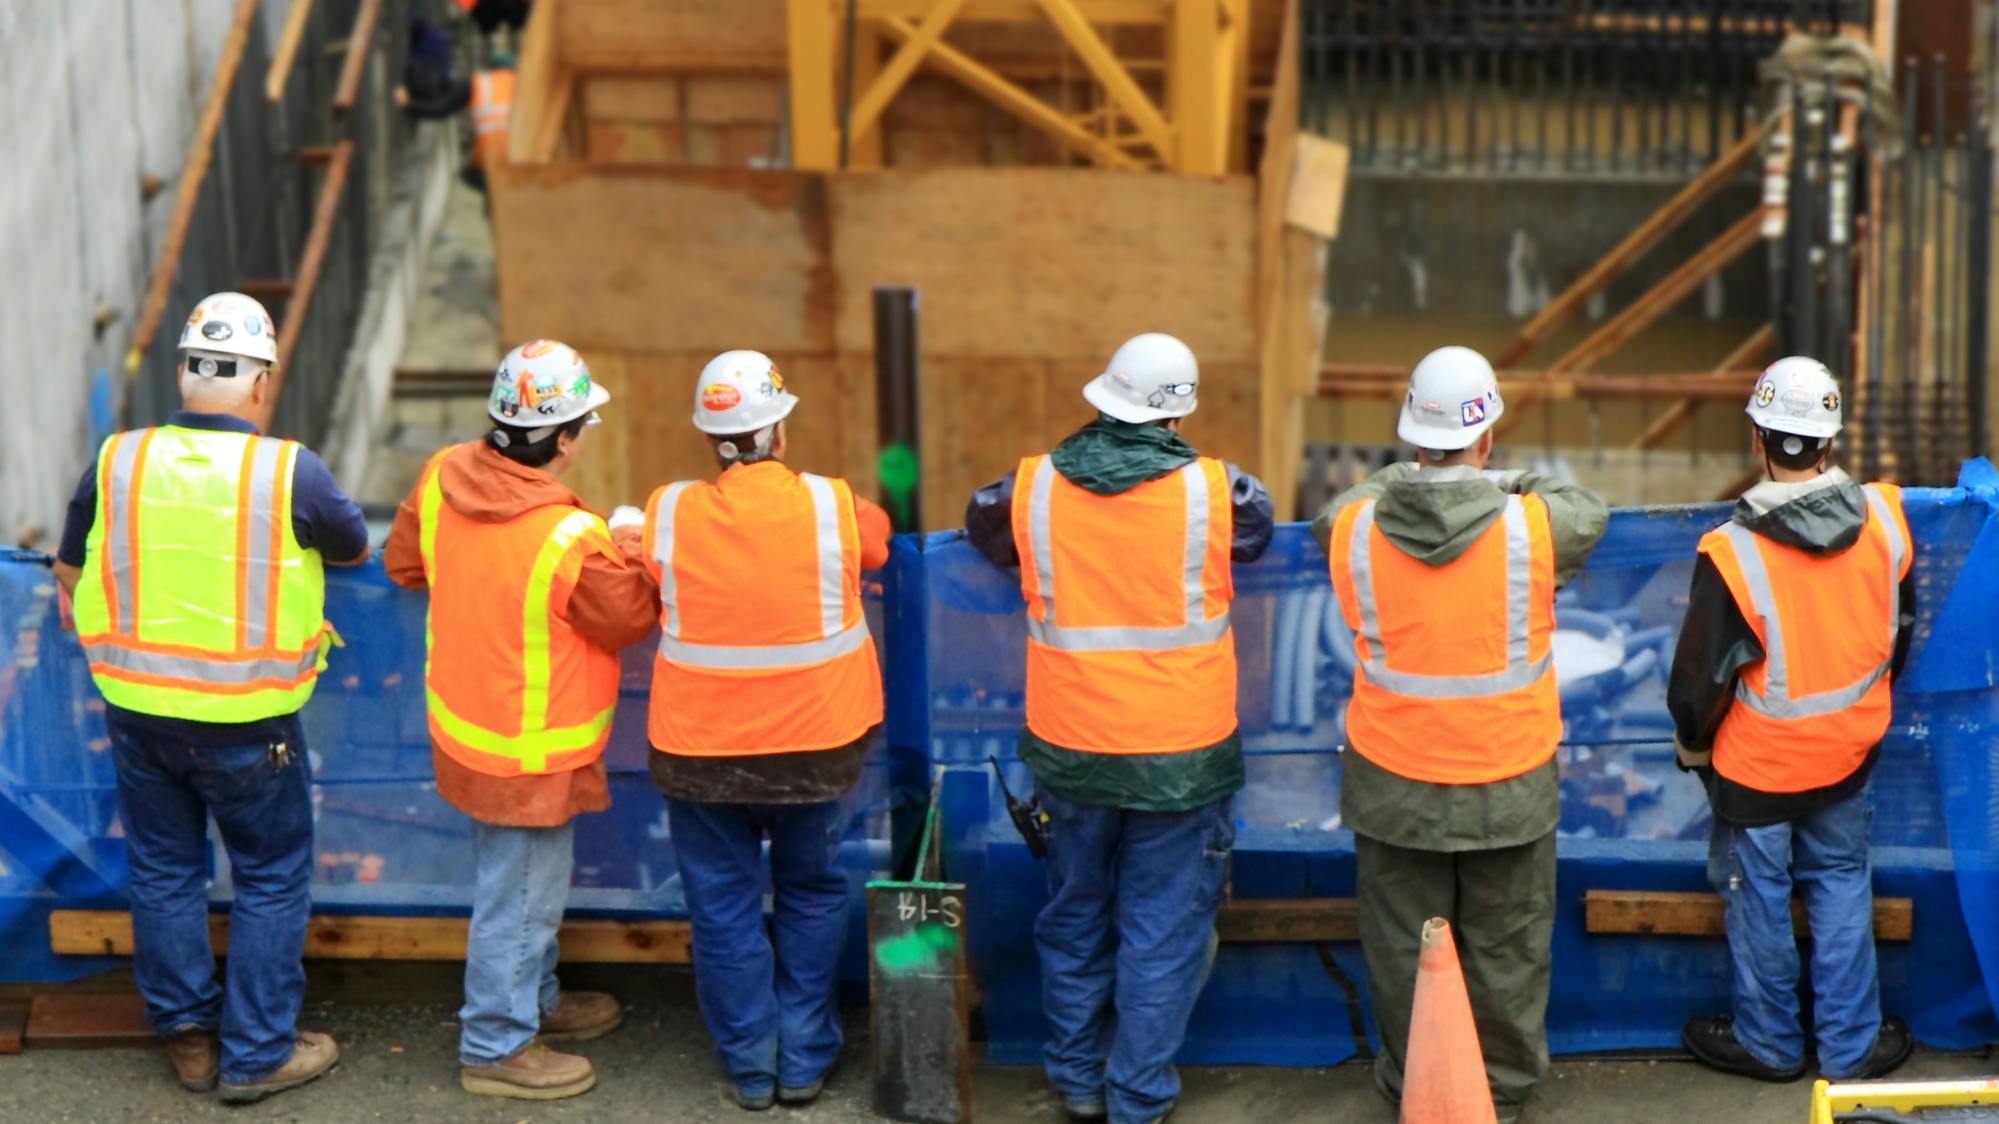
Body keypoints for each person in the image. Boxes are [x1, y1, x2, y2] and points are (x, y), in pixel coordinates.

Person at [51, 292, 369, 1103]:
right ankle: (257, 1053)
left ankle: (189, 1037)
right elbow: (352, 545)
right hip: (248, 721)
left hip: (137, 713)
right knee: (268, 874)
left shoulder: (117, 459)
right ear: (260, 385)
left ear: (184, 373)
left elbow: (68, 562)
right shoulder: (289, 470)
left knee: (163, 868)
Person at [965, 333, 1274, 1124]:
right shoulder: (1214, 491)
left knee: (1073, 912)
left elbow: (982, 527)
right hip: (1181, 756)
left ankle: (1074, 1079)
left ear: (1103, 397)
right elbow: (1258, 530)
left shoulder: (1029, 489)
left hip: (1071, 750)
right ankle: (1137, 1094)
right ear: (1176, 415)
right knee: (1161, 928)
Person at [1314, 346, 1606, 1124]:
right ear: (1486, 439)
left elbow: (1340, 507)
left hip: (1392, 780)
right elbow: (1586, 507)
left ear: (1412, 435)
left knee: (1403, 953)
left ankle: (1418, 1091)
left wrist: (1411, 477)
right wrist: (1497, 481)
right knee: (1506, 951)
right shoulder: (1532, 528)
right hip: (1504, 777)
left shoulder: (1352, 529)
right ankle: (1499, 1098)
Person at [383, 340, 656, 1100]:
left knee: (515, 886)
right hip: (531, 754)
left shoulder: (441, 477)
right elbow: (629, 614)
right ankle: (496, 1044)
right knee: (522, 894)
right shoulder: (568, 536)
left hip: (465, 730)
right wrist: (629, 540)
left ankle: (533, 1003)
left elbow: (404, 565)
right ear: (563, 439)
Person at [639, 350, 892, 1112]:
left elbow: (632, 561)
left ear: (710, 439)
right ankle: (803, 1058)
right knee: (812, 892)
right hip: (815, 748)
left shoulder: (667, 512)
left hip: (700, 753)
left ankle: (750, 1065)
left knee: (721, 906)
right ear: (778, 429)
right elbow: (878, 545)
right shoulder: (833, 506)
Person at [1670, 357, 1915, 1084]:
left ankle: (1771, 1044)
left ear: (1757, 438)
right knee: (1840, 880)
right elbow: (1896, 631)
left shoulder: (1732, 551)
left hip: (1756, 770)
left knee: (1758, 899)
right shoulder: (1885, 520)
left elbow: (1695, 689)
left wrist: (1694, 743)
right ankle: (1849, 1046)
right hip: (1847, 752)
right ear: (1831, 444)